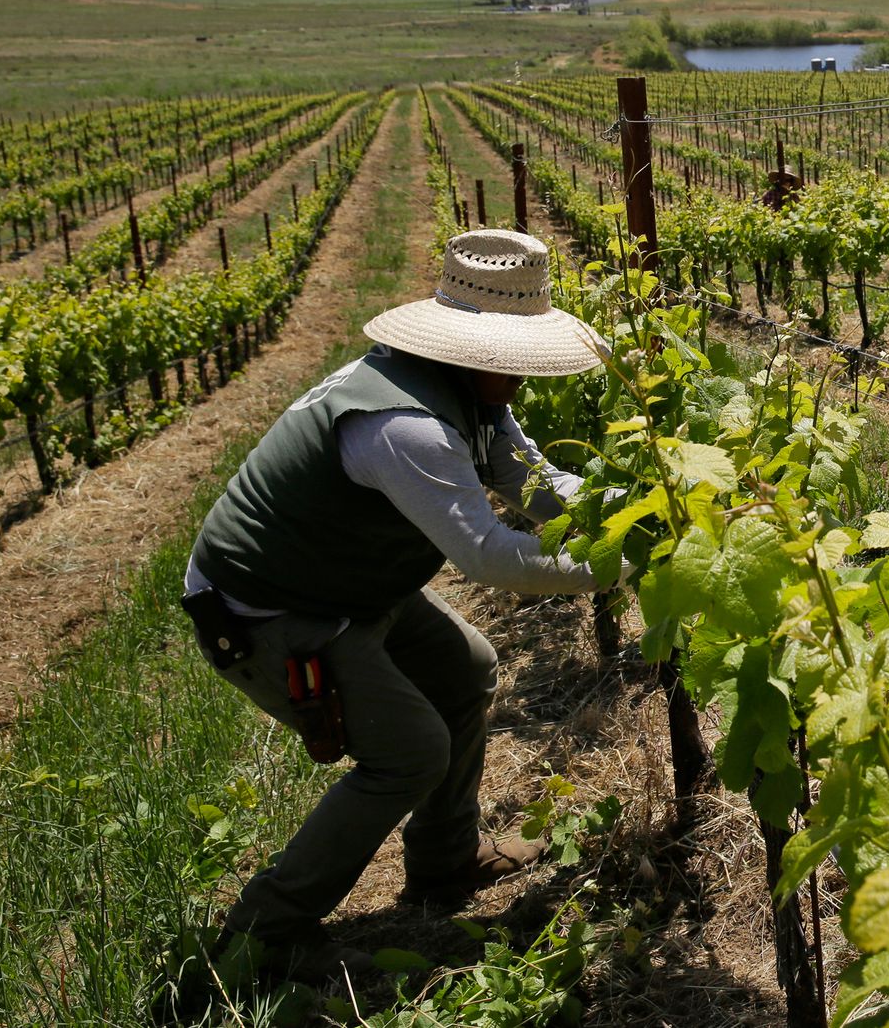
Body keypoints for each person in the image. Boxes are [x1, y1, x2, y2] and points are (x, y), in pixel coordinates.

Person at [180, 230, 610, 979]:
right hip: (264, 604)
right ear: (468, 347)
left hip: (348, 583)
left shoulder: (470, 392)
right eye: (514, 356)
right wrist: (616, 562)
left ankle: (446, 862)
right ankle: (265, 930)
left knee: (466, 667)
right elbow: (490, 554)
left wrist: (640, 511)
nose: (523, 374)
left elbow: (535, 486)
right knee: (409, 751)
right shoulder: (405, 424)